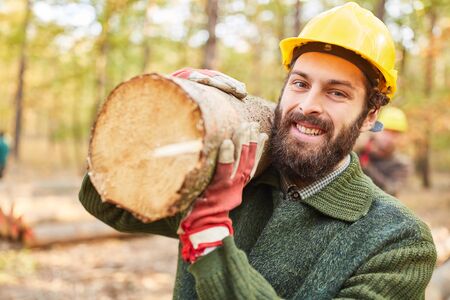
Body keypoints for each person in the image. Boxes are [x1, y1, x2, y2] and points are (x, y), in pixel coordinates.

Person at [79, 2, 436, 299]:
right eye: (300, 83)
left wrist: (211, 241)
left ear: (369, 114)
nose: (308, 105)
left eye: (336, 92)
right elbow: (106, 202)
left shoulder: (398, 241)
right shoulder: (233, 172)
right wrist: (164, 116)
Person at [357, 106, 411, 196]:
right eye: (386, 131)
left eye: (395, 133)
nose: (389, 137)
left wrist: (366, 167)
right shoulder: (360, 149)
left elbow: (390, 190)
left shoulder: (401, 164)